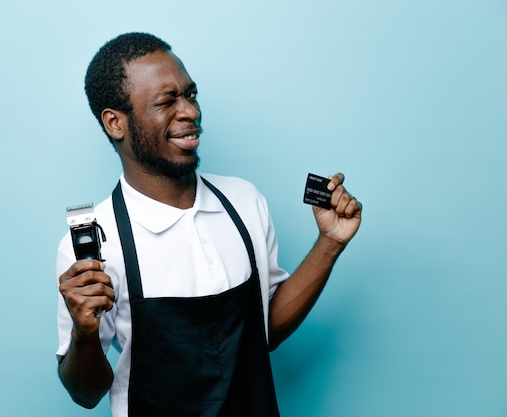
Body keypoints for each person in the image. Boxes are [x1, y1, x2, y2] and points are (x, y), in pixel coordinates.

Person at [56, 32, 362, 417]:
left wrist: (330, 242)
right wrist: (84, 333)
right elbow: (85, 394)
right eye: (167, 101)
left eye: (191, 94)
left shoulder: (244, 201)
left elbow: (263, 330)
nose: (190, 112)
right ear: (115, 123)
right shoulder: (95, 244)